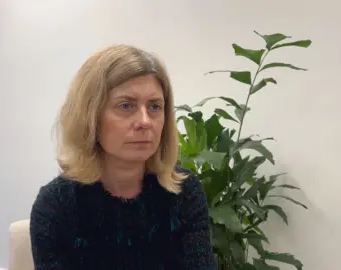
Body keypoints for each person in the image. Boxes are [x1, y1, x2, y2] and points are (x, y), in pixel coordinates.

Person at [29, 44, 216, 269]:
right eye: (126, 106)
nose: (145, 121)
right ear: (90, 117)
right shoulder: (55, 206)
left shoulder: (185, 192)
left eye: (155, 106)